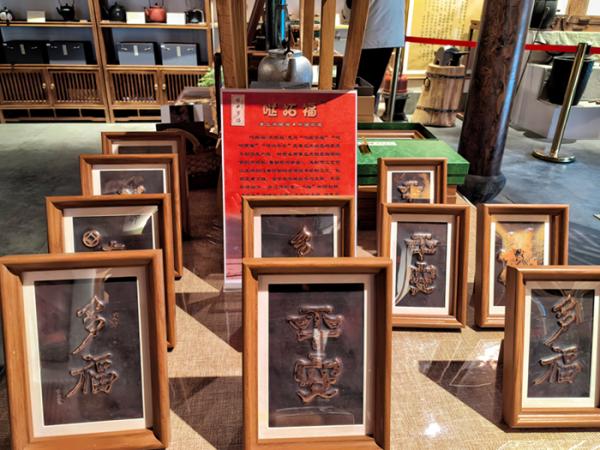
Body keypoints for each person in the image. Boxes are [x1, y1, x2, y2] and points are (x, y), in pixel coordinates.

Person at [342, 0, 406, 92]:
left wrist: (345, 14)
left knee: (360, 85)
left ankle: (364, 100)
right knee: (371, 85)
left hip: (371, 32)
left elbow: (351, 6)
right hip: (390, 31)